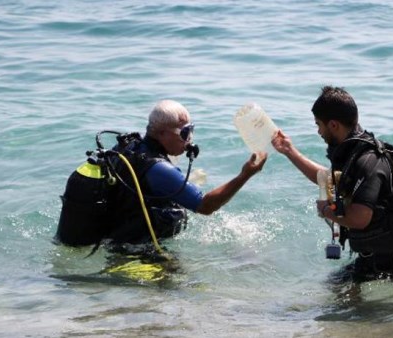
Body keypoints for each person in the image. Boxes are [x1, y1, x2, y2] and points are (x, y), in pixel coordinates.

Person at [56, 99, 267, 250]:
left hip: (115, 240)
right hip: (135, 254)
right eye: (184, 133)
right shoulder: (157, 168)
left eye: (191, 130)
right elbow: (205, 206)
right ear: (162, 133)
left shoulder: (129, 147)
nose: (190, 139)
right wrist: (244, 175)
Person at [271, 86, 393, 280]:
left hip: (387, 266)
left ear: (333, 125)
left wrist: (325, 210)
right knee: (332, 290)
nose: (318, 131)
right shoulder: (354, 153)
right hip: (373, 261)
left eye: (318, 125)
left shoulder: (368, 161)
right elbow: (327, 179)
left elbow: (359, 218)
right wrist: (289, 150)